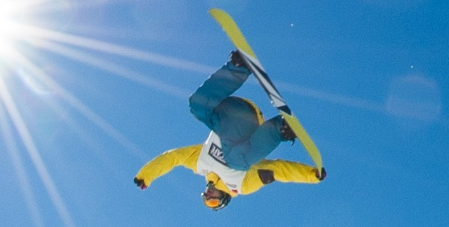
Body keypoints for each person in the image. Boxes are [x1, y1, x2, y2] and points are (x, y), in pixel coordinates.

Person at [134, 52, 326, 210]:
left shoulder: (199, 164)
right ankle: (282, 128)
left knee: (196, 106)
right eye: (211, 201)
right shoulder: (242, 185)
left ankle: (238, 68)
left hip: (226, 113)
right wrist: (310, 175)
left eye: (205, 198)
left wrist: (146, 176)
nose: (207, 196)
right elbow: (277, 170)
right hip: (249, 122)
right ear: (224, 199)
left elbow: (172, 158)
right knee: (236, 160)